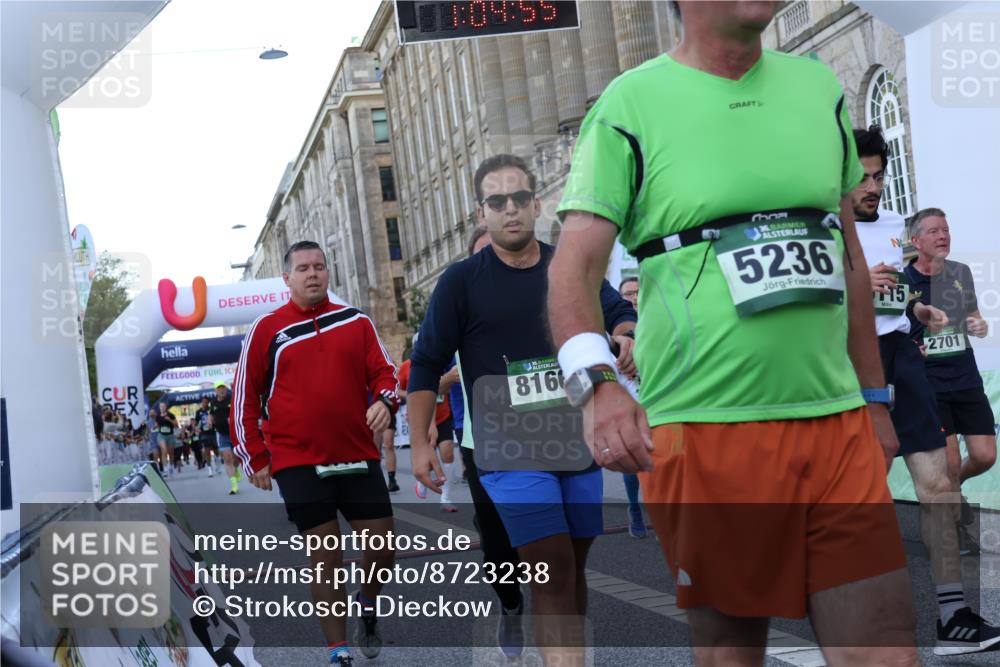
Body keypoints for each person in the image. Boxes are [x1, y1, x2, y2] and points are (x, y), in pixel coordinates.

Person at [548, 2, 919, 665]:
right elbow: (574, 269)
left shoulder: (818, 88)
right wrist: (598, 386)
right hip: (707, 428)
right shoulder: (630, 103)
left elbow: (848, 258)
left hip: (836, 425)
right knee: (732, 650)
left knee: (884, 647)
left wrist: (875, 397)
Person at [409, 154, 637, 665]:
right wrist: (422, 442)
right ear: (480, 213)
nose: (509, 210)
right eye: (496, 201)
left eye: (519, 199)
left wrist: (625, 335)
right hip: (506, 449)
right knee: (552, 567)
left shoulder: (567, 267)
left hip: (575, 441)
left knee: (572, 568)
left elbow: (619, 309)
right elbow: (425, 362)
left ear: (536, 205)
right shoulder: (461, 281)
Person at [852, 127, 999, 654]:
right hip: (845, 362)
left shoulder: (897, 227)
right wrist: (853, 284)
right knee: (855, 490)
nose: (871, 186)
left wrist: (917, 309)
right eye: (861, 176)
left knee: (938, 483)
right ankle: (853, 618)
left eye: (878, 175)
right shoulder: (825, 229)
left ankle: (952, 617)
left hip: (902, 356)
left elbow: (908, 292)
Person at [231, 240, 399, 666]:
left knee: (382, 547)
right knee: (327, 555)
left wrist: (385, 400)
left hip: (357, 452)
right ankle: (337, 650)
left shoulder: (356, 321)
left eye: (319, 267)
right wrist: (256, 456)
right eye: (303, 268)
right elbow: (244, 399)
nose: (312, 274)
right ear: (287, 278)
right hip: (298, 460)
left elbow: (385, 373)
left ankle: (367, 601)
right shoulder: (266, 329)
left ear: (329, 273)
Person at [906, 208, 999, 555]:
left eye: (945, 230)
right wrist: (916, 349)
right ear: (916, 241)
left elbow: (975, 318)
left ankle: (952, 492)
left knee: (985, 456)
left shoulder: (960, 273)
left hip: (966, 379)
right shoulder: (905, 282)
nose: (943, 235)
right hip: (930, 384)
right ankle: (951, 533)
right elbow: (897, 333)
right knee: (947, 463)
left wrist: (980, 326)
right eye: (933, 231)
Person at [398, 343, 459, 512]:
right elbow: (397, 390)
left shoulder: (442, 363)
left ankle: (445, 497)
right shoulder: (407, 367)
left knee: (447, 451)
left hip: (444, 414)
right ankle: (422, 479)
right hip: (421, 417)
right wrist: (412, 395)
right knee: (428, 454)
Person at [617, 276, 646, 538]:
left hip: (658, 403)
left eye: (638, 292)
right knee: (633, 466)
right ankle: (635, 508)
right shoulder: (617, 333)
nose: (634, 298)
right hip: (628, 402)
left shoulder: (659, 323)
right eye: (628, 294)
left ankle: (662, 517)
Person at [209, 383, 238, 493]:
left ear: (226, 389)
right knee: (227, 458)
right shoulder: (213, 402)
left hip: (234, 432)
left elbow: (240, 410)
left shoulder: (232, 399)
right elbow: (211, 413)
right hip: (222, 434)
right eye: (219, 388)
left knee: (237, 458)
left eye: (223, 388)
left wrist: (233, 418)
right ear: (215, 391)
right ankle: (234, 485)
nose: (221, 390)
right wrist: (209, 419)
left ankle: (236, 470)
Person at [155, 402, 178, 477]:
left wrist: (169, 420)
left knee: (171, 453)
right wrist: (155, 427)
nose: (162, 407)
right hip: (161, 435)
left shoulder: (171, 415)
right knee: (164, 451)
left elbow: (176, 425)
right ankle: (165, 469)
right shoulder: (158, 416)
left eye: (163, 406)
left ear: (166, 407)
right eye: (160, 406)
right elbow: (157, 425)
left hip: (170, 435)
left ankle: (171, 466)